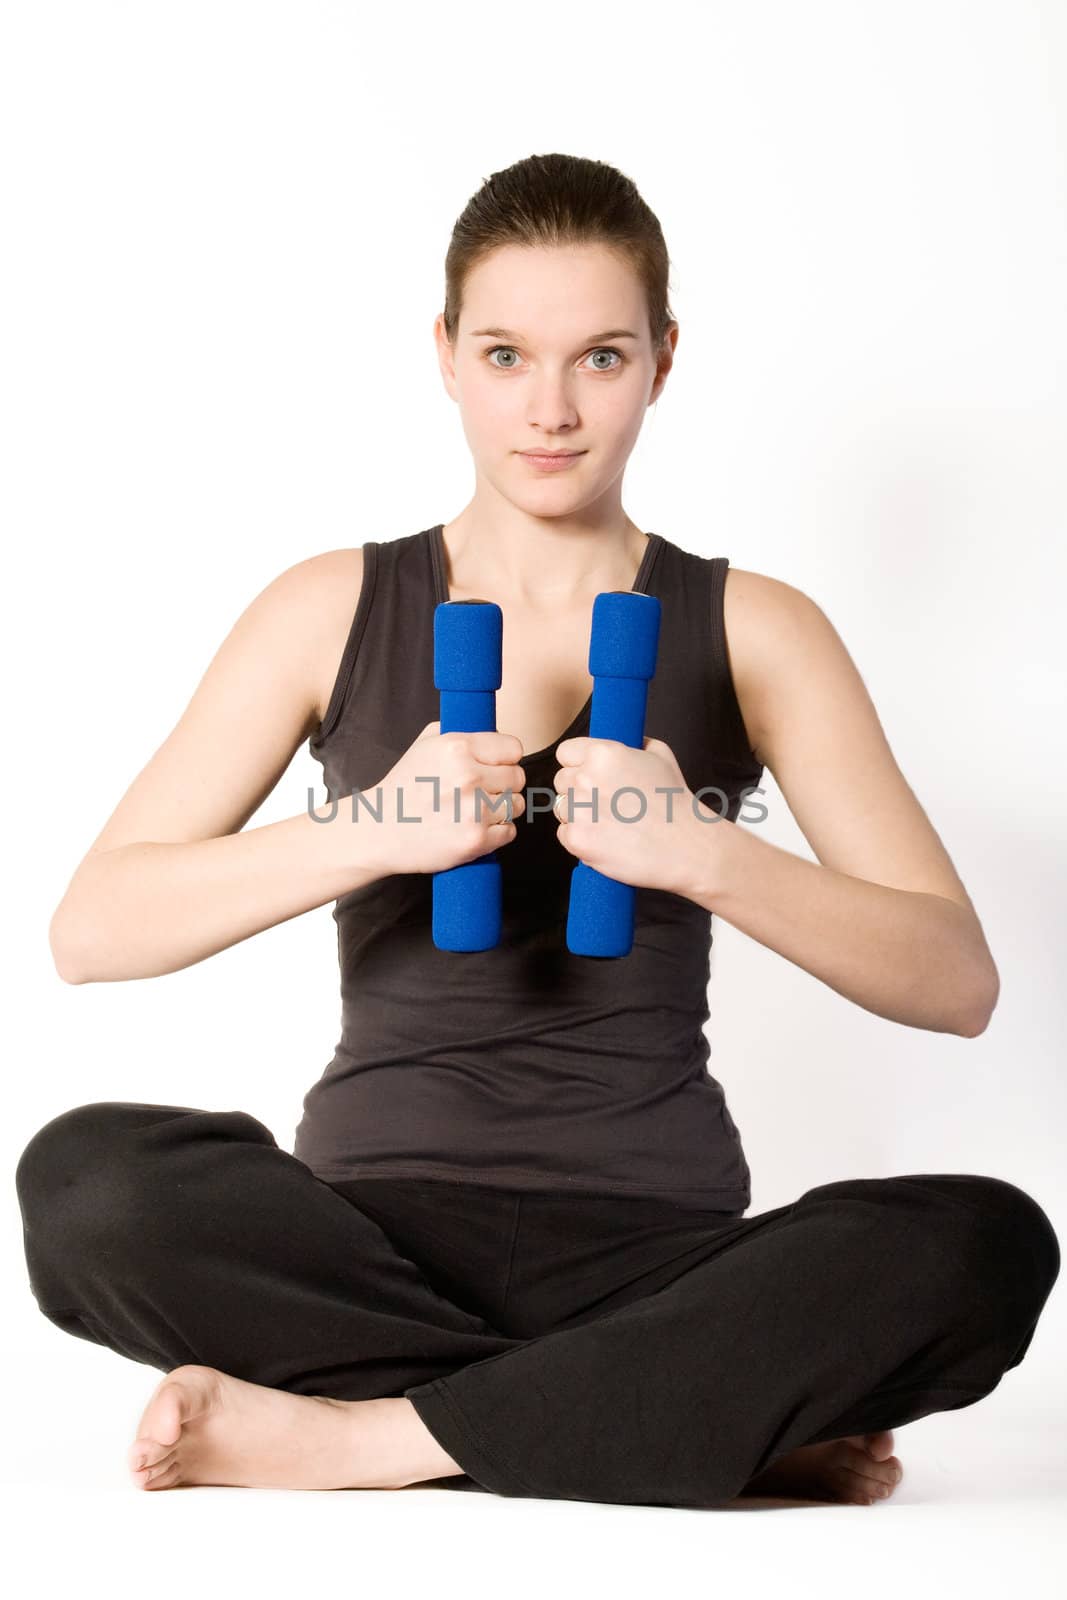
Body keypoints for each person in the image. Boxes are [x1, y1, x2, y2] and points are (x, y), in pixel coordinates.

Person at [15, 152, 1059, 1509]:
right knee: (87, 1183)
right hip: (362, 1238)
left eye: (601, 356)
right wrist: (375, 827)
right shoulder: (329, 606)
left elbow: (956, 981)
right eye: (507, 354)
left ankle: (365, 1437)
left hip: (657, 1245)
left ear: (663, 360)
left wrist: (707, 852)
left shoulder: (759, 629)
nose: (551, 409)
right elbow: (92, 933)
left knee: (985, 1247)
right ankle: (672, 1412)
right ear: (445, 355)